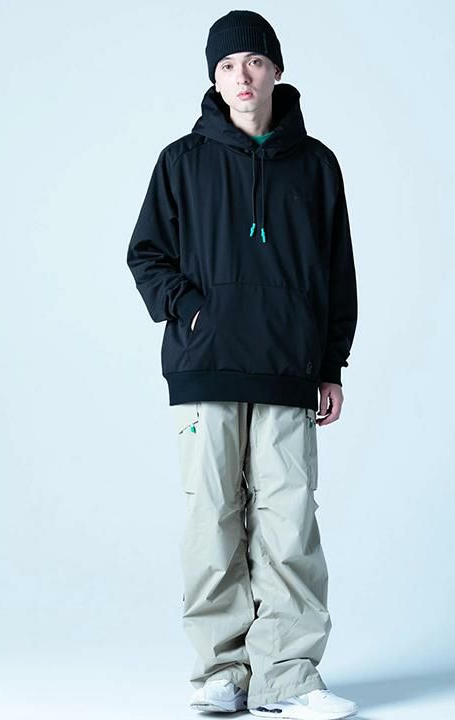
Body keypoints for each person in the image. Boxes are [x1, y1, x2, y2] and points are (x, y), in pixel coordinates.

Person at [126, 10, 358, 720]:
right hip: (206, 368)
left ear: (276, 70)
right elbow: (147, 254)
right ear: (214, 77)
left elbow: (337, 272)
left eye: (254, 61)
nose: (242, 76)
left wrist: (331, 364)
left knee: (289, 522)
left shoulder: (316, 165)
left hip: (289, 368)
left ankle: (287, 676)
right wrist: (192, 311)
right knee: (212, 521)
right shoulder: (182, 161)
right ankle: (221, 672)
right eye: (227, 65)